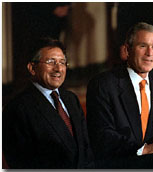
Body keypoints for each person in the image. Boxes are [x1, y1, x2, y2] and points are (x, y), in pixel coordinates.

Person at [86, 22, 153, 161]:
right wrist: (144, 149)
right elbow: (102, 135)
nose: (150, 53)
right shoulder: (103, 84)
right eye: (143, 46)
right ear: (127, 50)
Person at [2, 38, 94, 169]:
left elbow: (86, 148)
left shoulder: (71, 99)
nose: (58, 69)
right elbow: (21, 163)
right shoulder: (17, 108)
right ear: (32, 68)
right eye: (51, 62)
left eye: (62, 63)